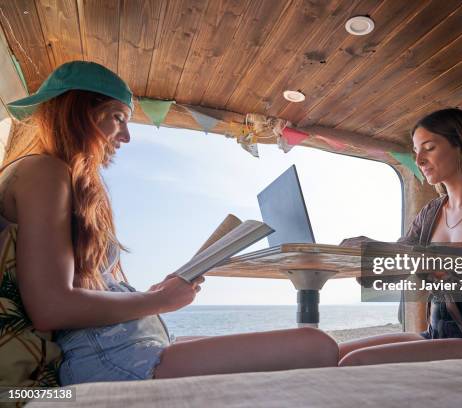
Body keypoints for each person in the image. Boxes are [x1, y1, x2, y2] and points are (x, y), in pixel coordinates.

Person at [1, 61, 338, 385]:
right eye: (118, 118)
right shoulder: (43, 171)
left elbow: (82, 291)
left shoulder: (61, 181)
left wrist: (153, 294)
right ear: (77, 112)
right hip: (110, 357)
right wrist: (162, 302)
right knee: (315, 346)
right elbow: (51, 307)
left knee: (341, 353)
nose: (127, 137)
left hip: (123, 345)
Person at [338, 108, 462, 366]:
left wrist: (408, 256)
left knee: (358, 362)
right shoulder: (431, 211)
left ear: (461, 146)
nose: (418, 159)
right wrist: (360, 253)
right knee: (336, 353)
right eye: (416, 151)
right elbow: (398, 262)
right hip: (438, 335)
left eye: (428, 147)